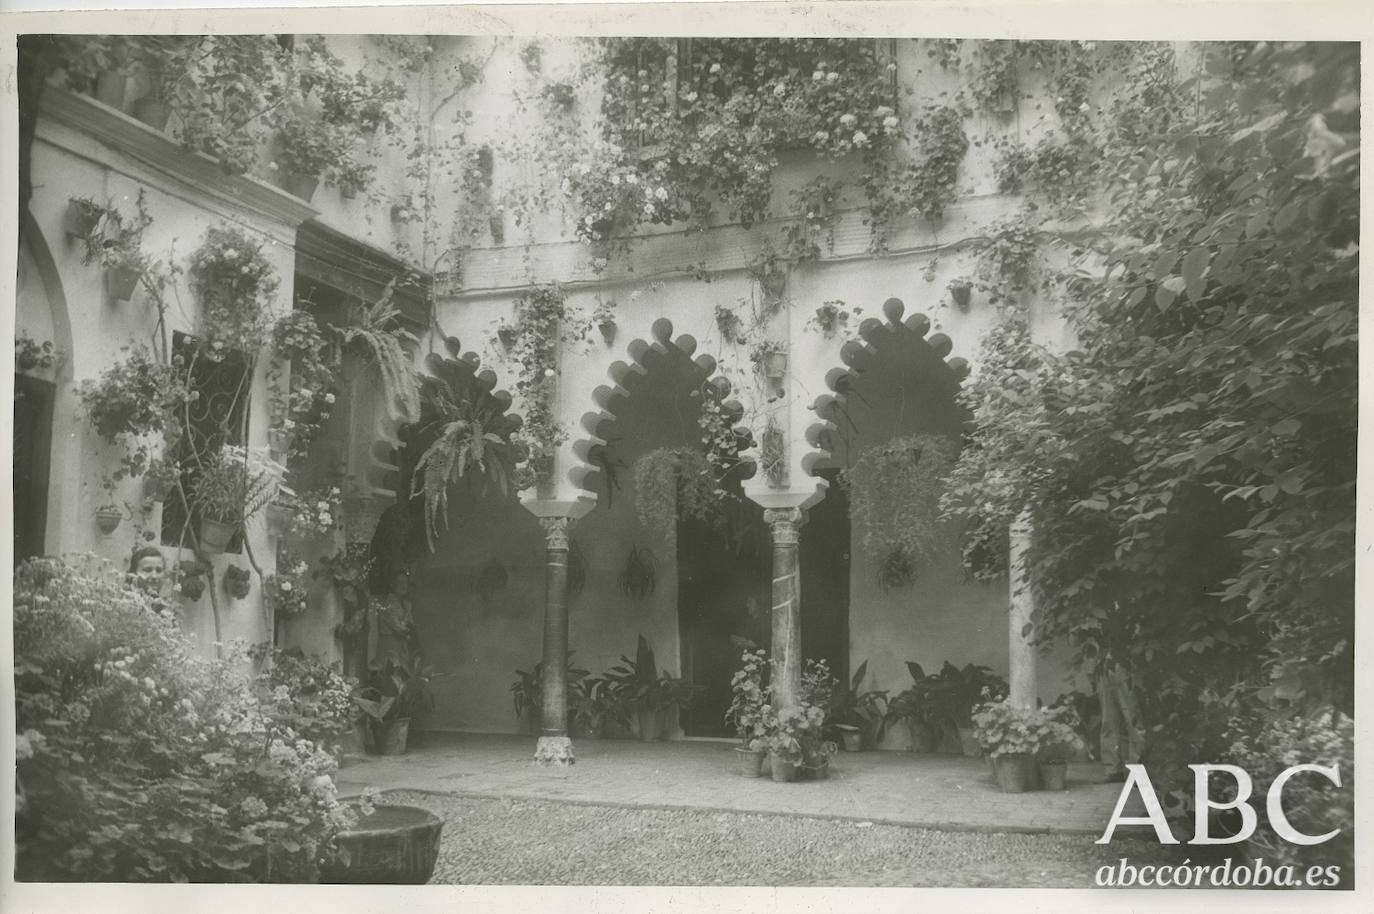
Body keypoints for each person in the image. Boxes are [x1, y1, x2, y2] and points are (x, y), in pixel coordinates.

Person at [1097, 647, 1145, 783]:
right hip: (1104, 667)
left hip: (1126, 666)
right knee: (1108, 721)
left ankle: (1137, 771)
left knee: (1133, 719)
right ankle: (1112, 770)